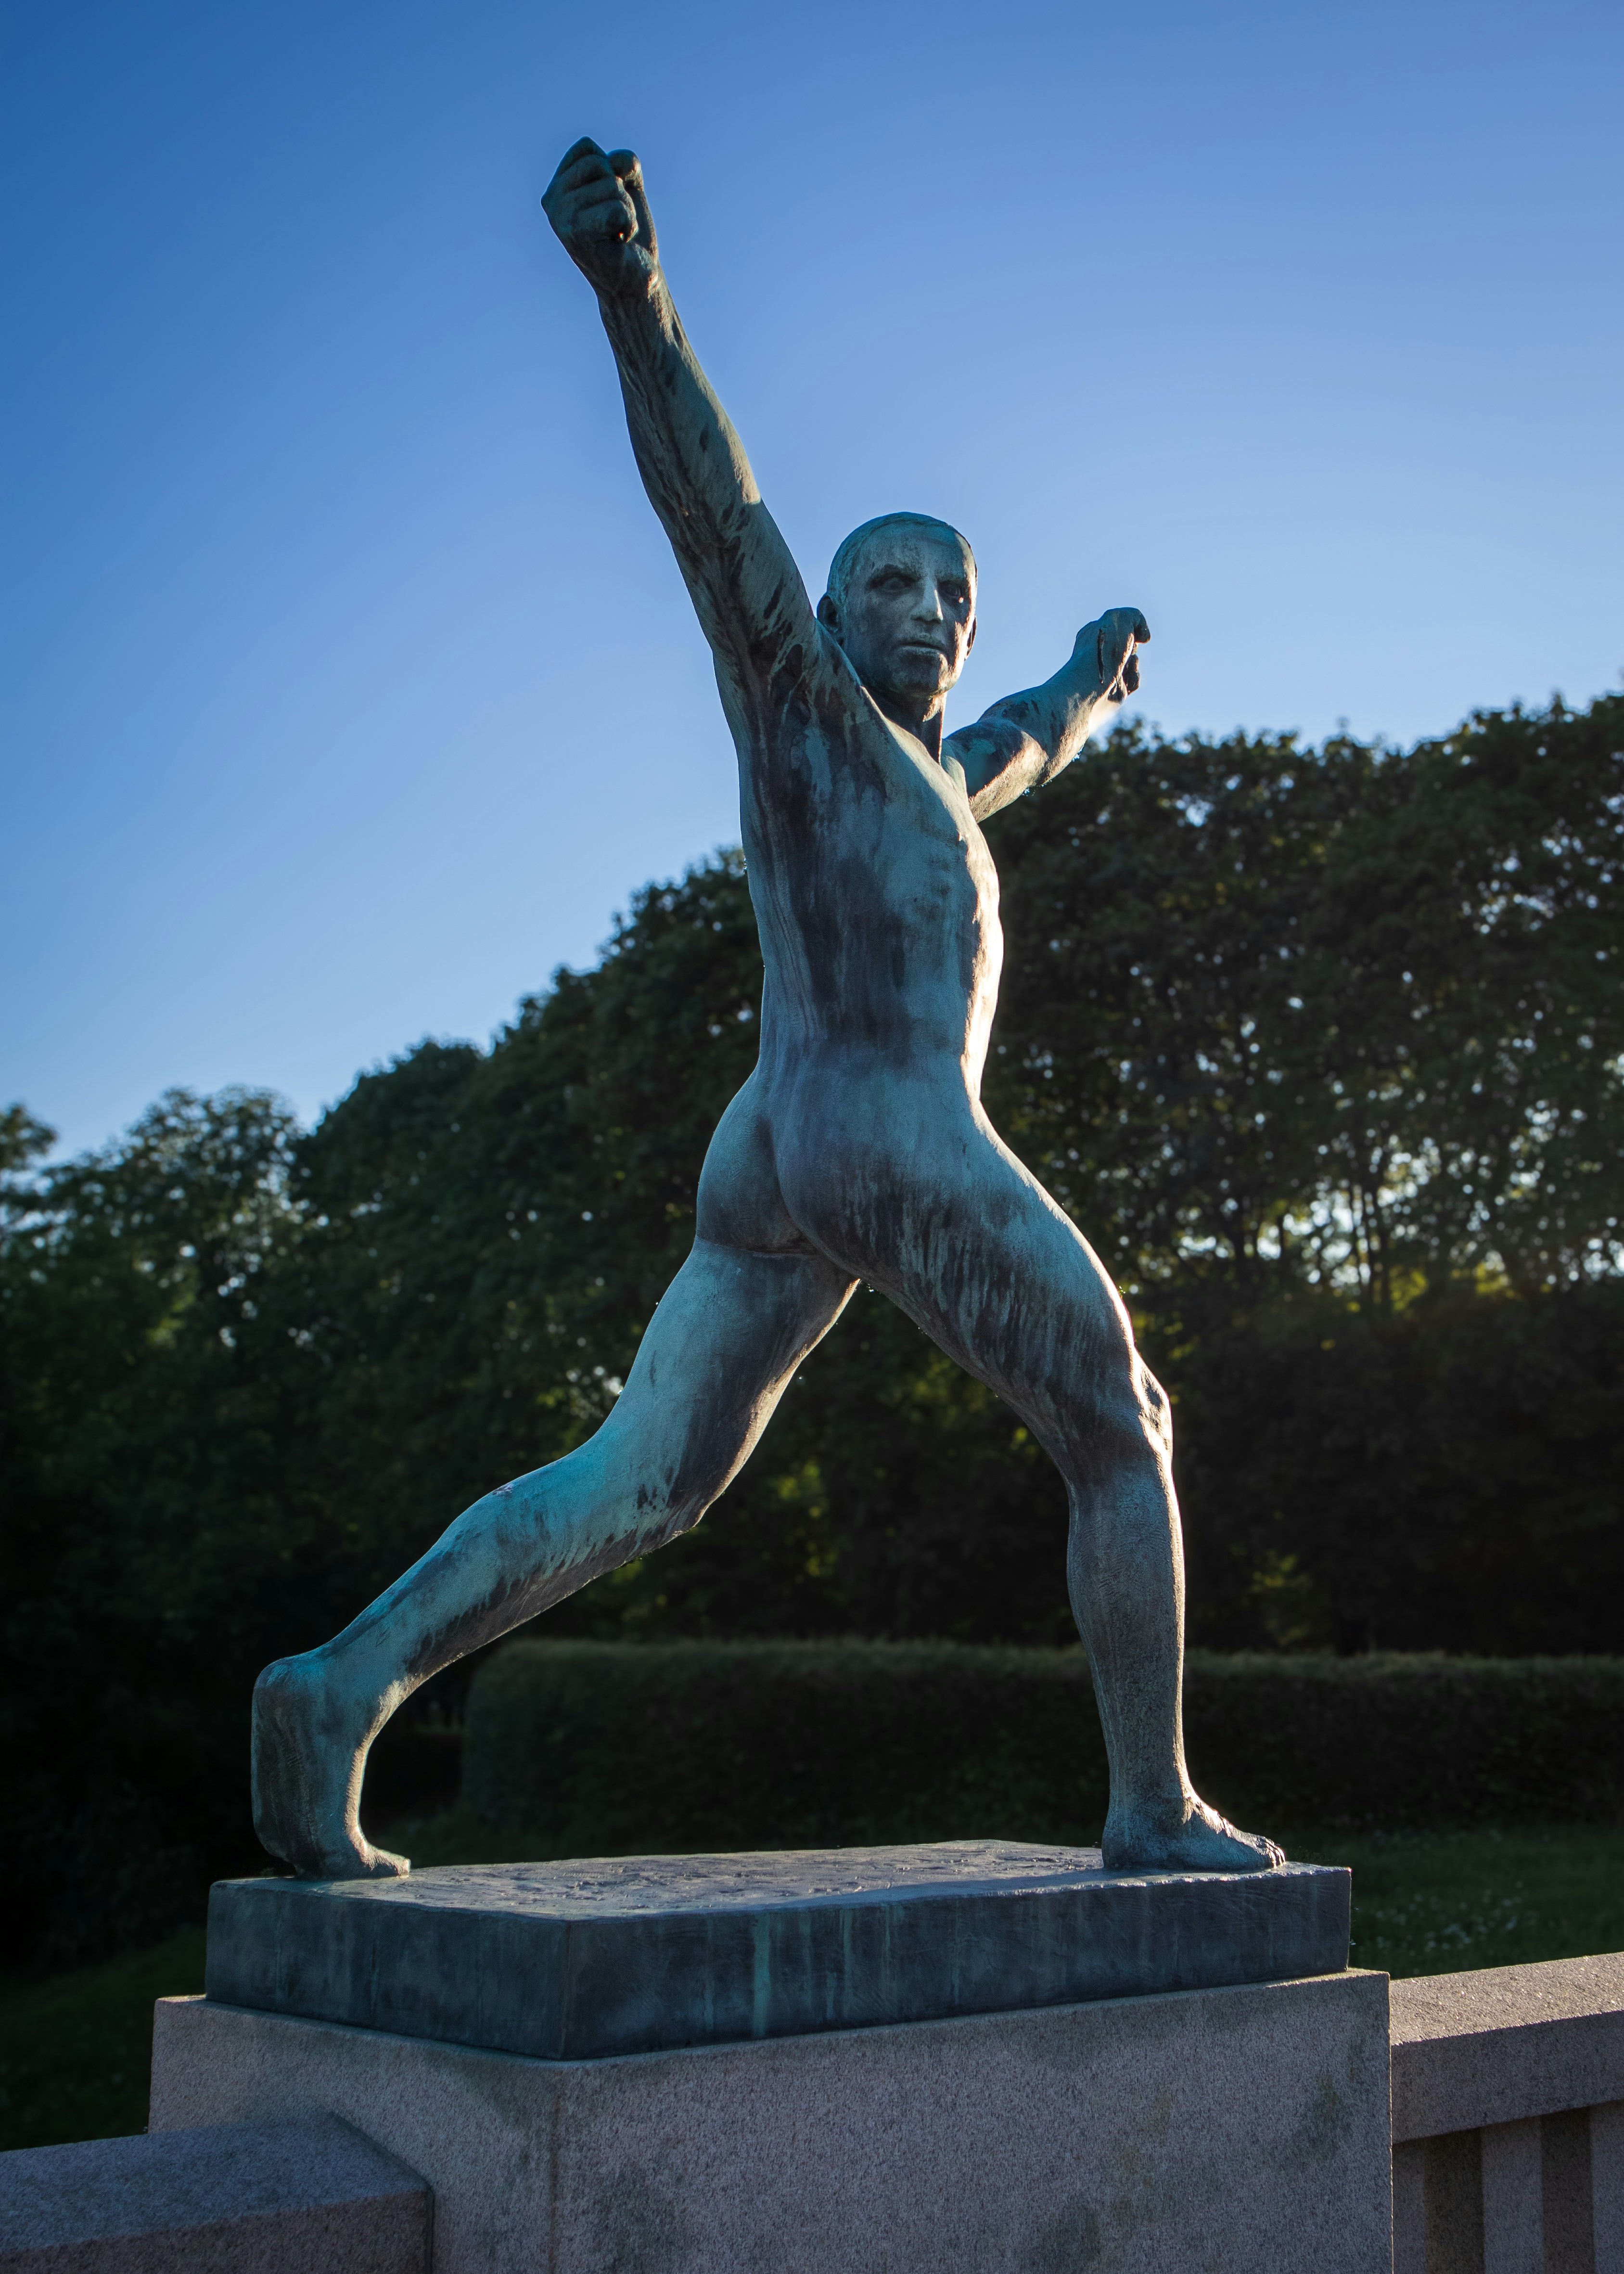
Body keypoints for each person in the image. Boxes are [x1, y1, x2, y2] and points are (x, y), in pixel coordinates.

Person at [251, 138, 1283, 1882]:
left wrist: (1096, 676)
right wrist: (636, 297)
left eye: (954, 595)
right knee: (1126, 1425)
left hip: (775, 1151)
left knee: (644, 1483)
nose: (931, 614)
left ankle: (336, 1684)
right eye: (893, 584)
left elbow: (1027, 734)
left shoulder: (938, 775)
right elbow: (715, 516)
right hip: (881, 1126)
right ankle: (1151, 1809)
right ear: (830, 614)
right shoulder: (800, 708)